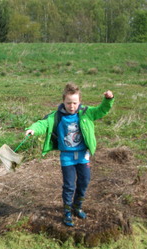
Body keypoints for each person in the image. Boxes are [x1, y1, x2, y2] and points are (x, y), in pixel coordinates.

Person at [25, 83, 114, 227]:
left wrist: (108, 100)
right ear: (63, 102)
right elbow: (42, 124)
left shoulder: (86, 112)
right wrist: (32, 129)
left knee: (84, 181)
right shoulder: (56, 116)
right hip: (67, 157)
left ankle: (77, 207)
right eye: (68, 103)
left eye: (75, 103)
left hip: (83, 155)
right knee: (69, 185)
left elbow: (101, 110)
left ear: (79, 102)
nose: (72, 106)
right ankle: (67, 211)